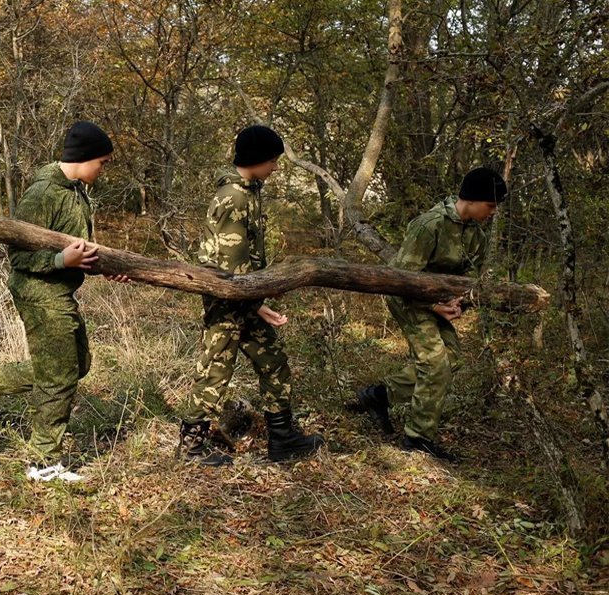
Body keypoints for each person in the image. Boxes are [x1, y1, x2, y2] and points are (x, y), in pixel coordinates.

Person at [0, 121, 124, 482]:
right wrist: (59, 261)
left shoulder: (77, 191)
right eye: (101, 161)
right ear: (84, 158)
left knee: (78, 364)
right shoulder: (42, 195)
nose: (103, 168)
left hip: (60, 290)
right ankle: (44, 464)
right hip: (38, 292)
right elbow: (18, 257)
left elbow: (79, 252)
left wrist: (108, 268)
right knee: (58, 378)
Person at [177, 125, 324, 466]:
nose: (275, 167)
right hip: (228, 301)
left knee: (274, 363)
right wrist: (258, 306)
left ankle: (283, 439)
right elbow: (230, 271)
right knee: (215, 370)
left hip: (248, 298)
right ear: (257, 159)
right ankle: (192, 449)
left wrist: (258, 303)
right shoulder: (234, 197)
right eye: (272, 160)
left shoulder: (251, 189)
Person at [356, 168, 507, 462]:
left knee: (452, 360)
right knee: (435, 364)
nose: (494, 211)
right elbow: (401, 279)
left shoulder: (476, 234)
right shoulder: (429, 226)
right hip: (407, 300)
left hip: (437, 302)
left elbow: (470, 278)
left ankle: (378, 396)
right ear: (474, 199)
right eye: (491, 204)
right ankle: (417, 440)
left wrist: (459, 303)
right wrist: (433, 306)